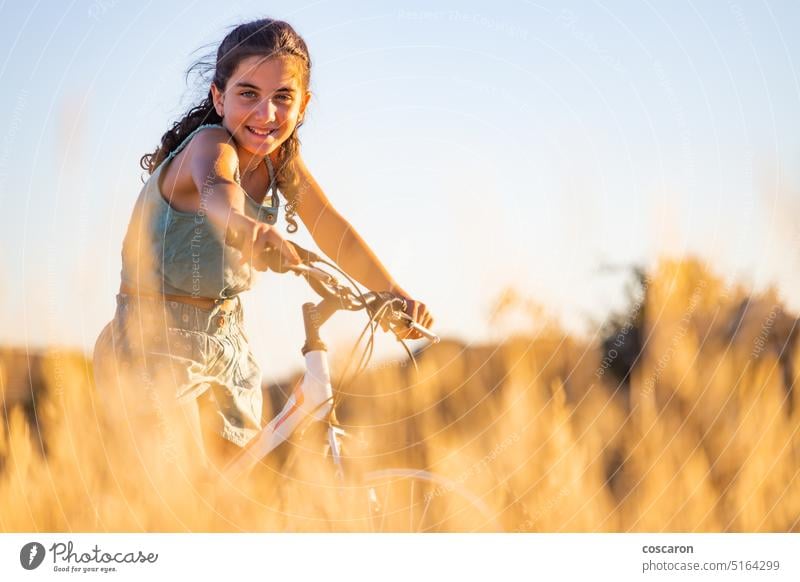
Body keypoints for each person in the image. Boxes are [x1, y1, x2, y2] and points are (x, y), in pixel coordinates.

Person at [92, 18, 433, 472]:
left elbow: (331, 226)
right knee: (183, 503)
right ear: (219, 96)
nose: (266, 114)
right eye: (248, 93)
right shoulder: (209, 147)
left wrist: (394, 294)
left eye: (283, 98)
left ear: (304, 105)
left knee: (239, 496)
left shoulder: (282, 163)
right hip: (151, 343)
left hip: (227, 343)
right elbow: (220, 193)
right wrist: (252, 230)